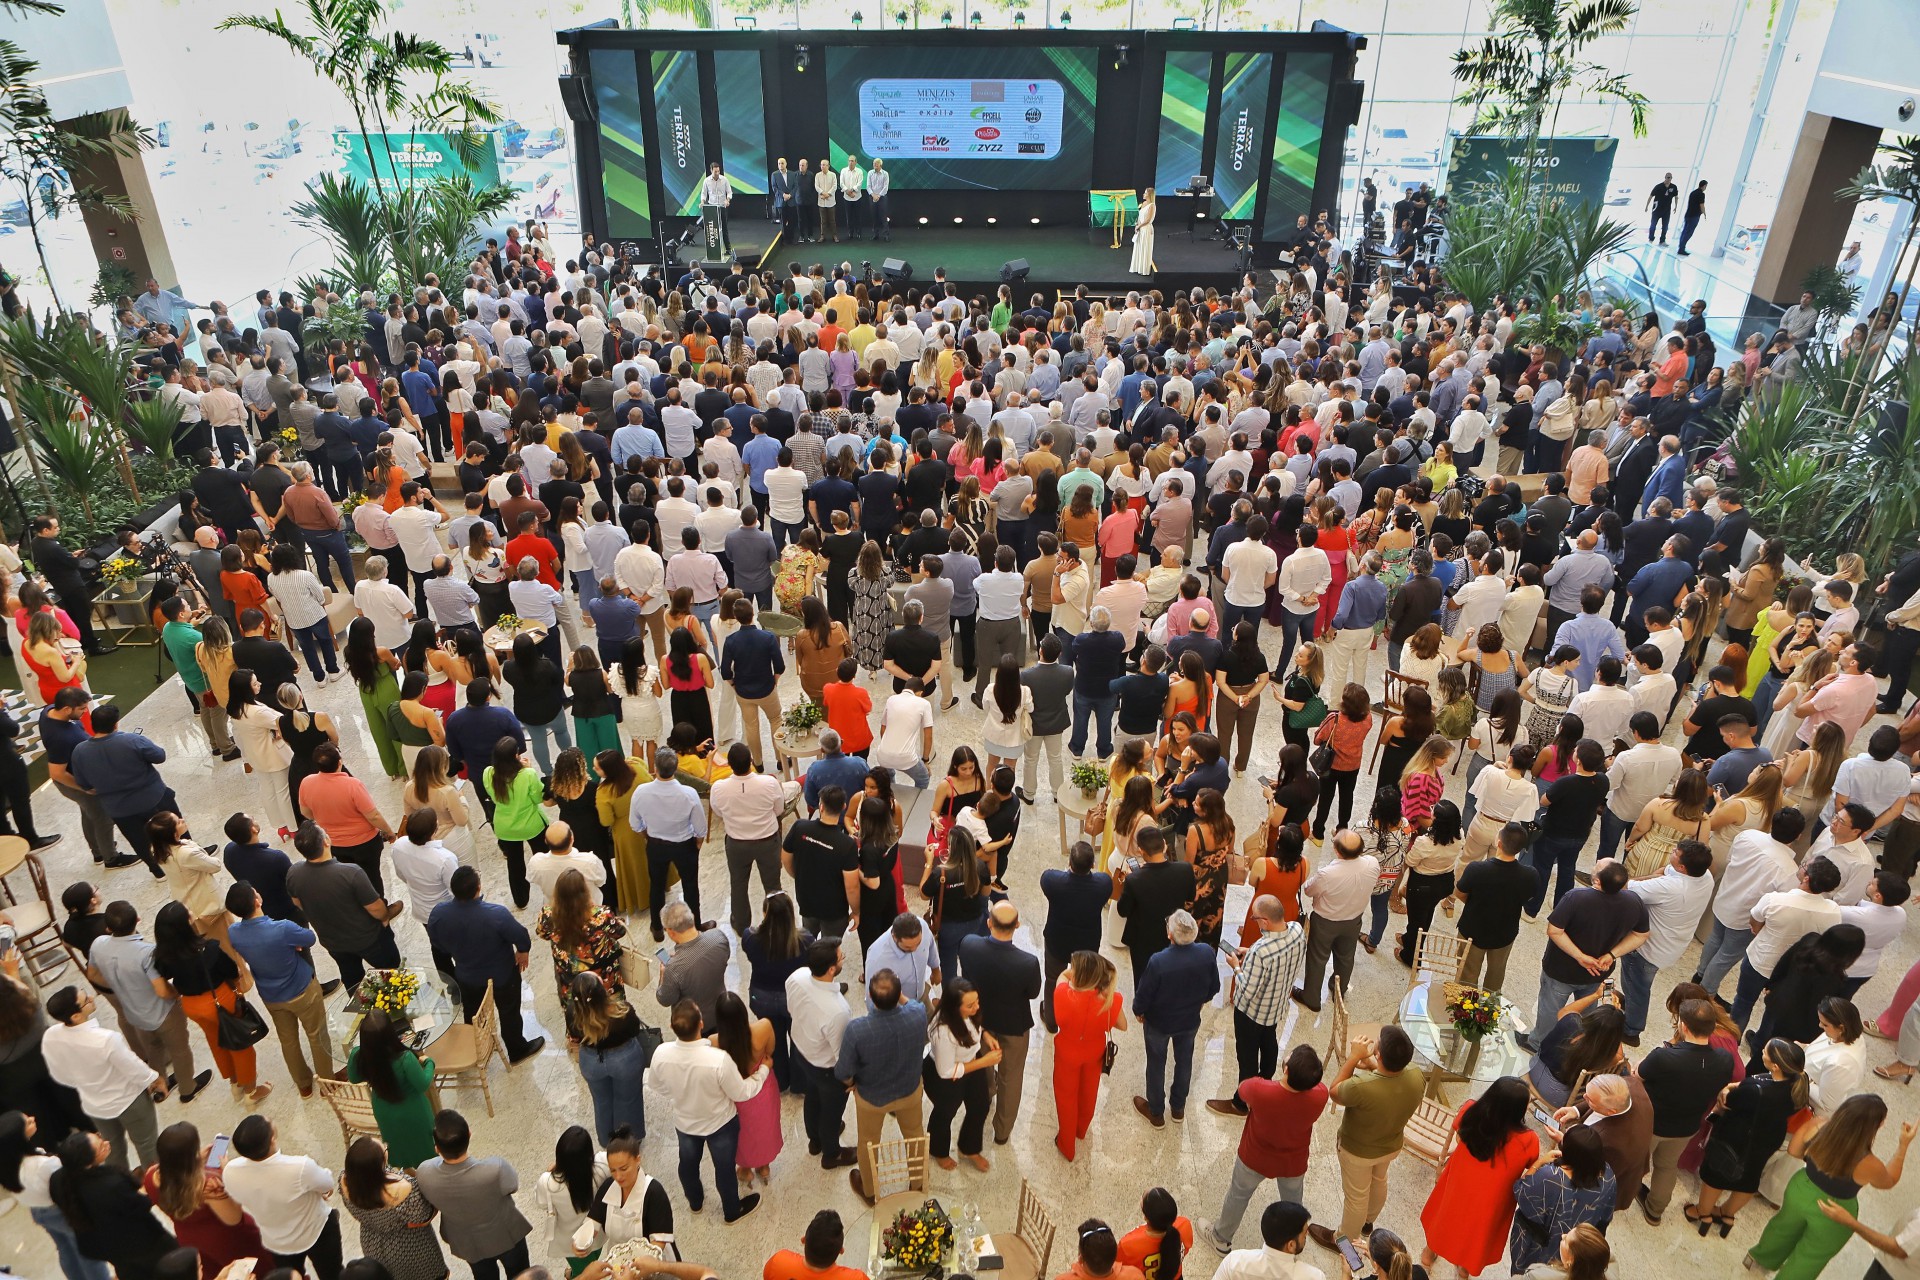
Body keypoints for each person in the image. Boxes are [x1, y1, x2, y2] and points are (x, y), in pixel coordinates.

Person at [1745, 1093, 1914, 1279]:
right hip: (1834, 1210)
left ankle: (1757, 1259)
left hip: (1801, 1188)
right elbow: (1888, 1182)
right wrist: (1903, 1146)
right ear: (1876, 1126)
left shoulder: (1818, 1124)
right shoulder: (1869, 1163)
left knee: (1782, 1228)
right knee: (1811, 1256)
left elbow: (1794, 1150)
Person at [1198, 1044, 1329, 1254]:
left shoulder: (1261, 1090)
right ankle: (1294, 1242)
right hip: (1293, 1162)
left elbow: (1243, 1089)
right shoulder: (1320, 1095)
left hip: (1255, 1157)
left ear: (1286, 1069)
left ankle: (1221, 1239)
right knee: (1294, 1203)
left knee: (1238, 1195)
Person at [1313, 1025, 1425, 1248]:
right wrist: (1374, 1065)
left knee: (1356, 1198)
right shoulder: (1416, 1075)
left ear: (1379, 1054)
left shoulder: (1362, 1087)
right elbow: (1390, 1080)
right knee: (1379, 1181)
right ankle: (1368, 1223)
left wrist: (1353, 1058)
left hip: (1358, 1151)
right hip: (1391, 1145)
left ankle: (1343, 1243)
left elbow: (1334, 1091)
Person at [149, 901, 270, 1103]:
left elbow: (166, 978)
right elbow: (232, 972)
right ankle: (250, 1090)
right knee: (240, 1043)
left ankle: (235, 1083)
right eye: (189, 913)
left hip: (191, 1005)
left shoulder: (162, 956)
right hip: (219, 1000)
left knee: (217, 1042)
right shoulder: (210, 950)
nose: (192, 913)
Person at [1419, 1078, 1540, 1277]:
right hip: (1493, 1199)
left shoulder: (1470, 1111)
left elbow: (1459, 1138)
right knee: (1477, 1234)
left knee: (1445, 1216)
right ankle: (1464, 1268)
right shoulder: (1529, 1140)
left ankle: (1428, 1254)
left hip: (1459, 1183)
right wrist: (1543, 1162)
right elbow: (1529, 1175)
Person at [224, 882, 334, 1100]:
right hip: (302, 989)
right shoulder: (282, 928)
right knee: (317, 1034)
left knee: (288, 1040)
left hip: (271, 995)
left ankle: (303, 1085)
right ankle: (327, 1082)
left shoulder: (234, 932)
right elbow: (309, 938)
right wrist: (293, 944)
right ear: (257, 901)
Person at [426, 866, 546, 1064]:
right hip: (502, 975)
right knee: (509, 1012)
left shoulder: (439, 914)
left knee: (473, 1013)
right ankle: (516, 1049)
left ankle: (474, 1050)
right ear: (478, 888)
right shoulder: (496, 914)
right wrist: (523, 951)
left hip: (466, 976)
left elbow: (438, 944)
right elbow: (520, 935)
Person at [39, 985, 165, 1170]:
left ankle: (122, 1187)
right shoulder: (106, 1039)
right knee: (148, 1145)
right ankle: (155, 1186)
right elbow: (133, 1068)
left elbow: (58, 1074)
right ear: (75, 1016)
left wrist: (85, 1083)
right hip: (129, 1100)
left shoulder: (50, 1036)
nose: (92, 997)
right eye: (86, 1000)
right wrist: (155, 1079)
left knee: (110, 1151)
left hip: (95, 1105)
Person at [1692, 1037, 1809, 1236]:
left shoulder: (1757, 1091)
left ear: (1775, 1065)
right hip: (1769, 1137)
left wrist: (1728, 1088)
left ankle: (1702, 1213)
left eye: (1766, 1051)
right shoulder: (1795, 1085)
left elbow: (1731, 1101)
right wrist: (1737, 1085)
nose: (1762, 1050)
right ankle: (1727, 1214)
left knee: (1716, 1173)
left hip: (1738, 1136)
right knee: (1750, 1177)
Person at [1527, 860, 1649, 1051]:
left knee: (1551, 1009)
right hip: (1599, 971)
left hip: (1562, 969)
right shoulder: (1634, 902)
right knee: (1588, 1010)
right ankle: (1577, 1045)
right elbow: (1641, 934)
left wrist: (1580, 956)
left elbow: (1554, 930)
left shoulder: (1576, 897)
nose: (1597, 863)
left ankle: (1538, 1044)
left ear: (1598, 881)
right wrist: (1612, 954)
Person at [1636, 998, 1737, 1224]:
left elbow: (1638, 1074)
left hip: (1652, 1123)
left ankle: (1620, 1195)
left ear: (1684, 1026)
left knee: (1635, 1162)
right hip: (1687, 1125)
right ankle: (1655, 1210)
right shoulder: (1724, 1059)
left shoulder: (1665, 1056)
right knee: (1666, 1166)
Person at [835, 968, 928, 1200]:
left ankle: (869, 1191)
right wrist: (898, 996)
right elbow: (911, 1004)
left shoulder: (857, 1030)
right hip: (909, 1090)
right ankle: (918, 1185)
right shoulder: (917, 1013)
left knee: (868, 1142)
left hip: (871, 1097)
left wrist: (851, 1082)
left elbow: (843, 1071)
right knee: (915, 1134)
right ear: (899, 995)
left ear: (870, 996)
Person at [956, 900, 1041, 1147]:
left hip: (979, 1022)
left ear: (989, 922)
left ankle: (986, 1096)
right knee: (1011, 1077)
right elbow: (1033, 993)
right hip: (1014, 1026)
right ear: (1017, 925)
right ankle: (1002, 1131)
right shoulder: (1027, 962)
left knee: (982, 1066)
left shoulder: (969, 945)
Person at [414, 1109, 535, 1280]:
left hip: (467, 1242)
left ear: (437, 1148)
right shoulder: (495, 1168)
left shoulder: (424, 1173)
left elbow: (431, 1166)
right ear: (470, 1134)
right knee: (520, 1274)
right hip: (506, 1234)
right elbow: (512, 1186)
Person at [222, 1114, 342, 1280]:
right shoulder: (298, 1167)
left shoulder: (230, 1172)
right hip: (316, 1231)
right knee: (333, 1274)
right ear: (272, 1139)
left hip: (277, 1243)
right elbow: (327, 1183)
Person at [1131, 909, 1220, 1128]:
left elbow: (1144, 994)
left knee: (1156, 1063)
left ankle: (1156, 1112)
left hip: (1159, 1023)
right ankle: (1178, 1107)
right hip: (1189, 1021)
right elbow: (1214, 987)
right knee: (1184, 1061)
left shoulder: (1158, 961)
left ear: (1170, 934)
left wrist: (1139, 1011)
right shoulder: (1206, 953)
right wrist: (1199, 1001)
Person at [1619, 840, 1715, 1042]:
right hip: (1672, 943)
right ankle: (1630, 1009)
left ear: (1682, 867)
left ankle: (1631, 1029)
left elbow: (1626, 887)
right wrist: (1657, 876)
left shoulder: (1670, 887)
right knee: (1636, 984)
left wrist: (1651, 877)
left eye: (1675, 853)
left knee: (1637, 987)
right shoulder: (1705, 877)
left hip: (1647, 949)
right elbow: (1665, 872)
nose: (1671, 852)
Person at [46, 1130, 174, 1280]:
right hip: (142, 1243)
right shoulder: (112, 1185)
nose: (106, 1143)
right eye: (100, 1146)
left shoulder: (57, 1180)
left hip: (108, 1247)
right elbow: (142, 1205)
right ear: (88, 1162)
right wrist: (151, 1186)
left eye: (100, 1138)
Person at [1051, 950, 1127, 1162]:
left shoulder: (1063, 994)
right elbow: (1123, 1025)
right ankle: (1081, 1130)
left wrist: (1074, 972)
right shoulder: (1108, 1000)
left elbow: (1063, 976)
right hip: (1094, 1052)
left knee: (1066, 1097)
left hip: (1067, 1052)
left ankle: (1067, 1146)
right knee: (1089, 1092)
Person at [1509, 1125, 1616, 1274]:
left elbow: (1520, 1190)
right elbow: (1605, 1216)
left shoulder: (1550, 1177)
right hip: (1578, 1249)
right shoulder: (1608, 1175)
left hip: (1539, 1248)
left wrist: (1539, 1163)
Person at [337, 1137, 447, 1280]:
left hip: (372, 1244)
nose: (386, 1146)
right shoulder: (403, 1190)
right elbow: (425, 1216)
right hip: (410, 1249)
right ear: (380, 1163)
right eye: (384, 1149)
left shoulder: (346, 1181)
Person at [1292, 829, 1377, 1013]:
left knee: (1317, 958)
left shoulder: (1328, 873)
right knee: (1346, 957)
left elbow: (1308, 890)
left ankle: (1311, 998)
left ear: (1337, 851)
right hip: (1354, 919)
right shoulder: (1372, 864)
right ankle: (1339, 989)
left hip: (1325, 921)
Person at [629, 747, 708, 938]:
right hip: (684, 845)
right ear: (675, 768)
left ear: (654, 768)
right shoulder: (688, 793)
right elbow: (700, 828)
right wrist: (697, 844)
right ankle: (694, 925)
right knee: (690, 886)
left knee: (656, 886)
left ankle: (657, 927)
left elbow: (635, 824)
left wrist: (648, 836)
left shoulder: (641, 792)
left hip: (656, 845)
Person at [348, 1010, 437, 1170]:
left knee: (398, 1147)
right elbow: (423, 1084)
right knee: (424, 1148)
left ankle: (408, 1177)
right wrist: (429, 1063)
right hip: (414, 1111)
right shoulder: (405, 1059)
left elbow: (354, 1078)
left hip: (384, 1111)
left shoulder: (358, 1056)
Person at [656, 900, 731, 1031]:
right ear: (693, 918)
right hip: (722, 1009)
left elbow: (665, 999)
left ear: (670, 932)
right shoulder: (719, 937)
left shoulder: (673, 968)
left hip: (694, 1023)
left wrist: (663, 974)